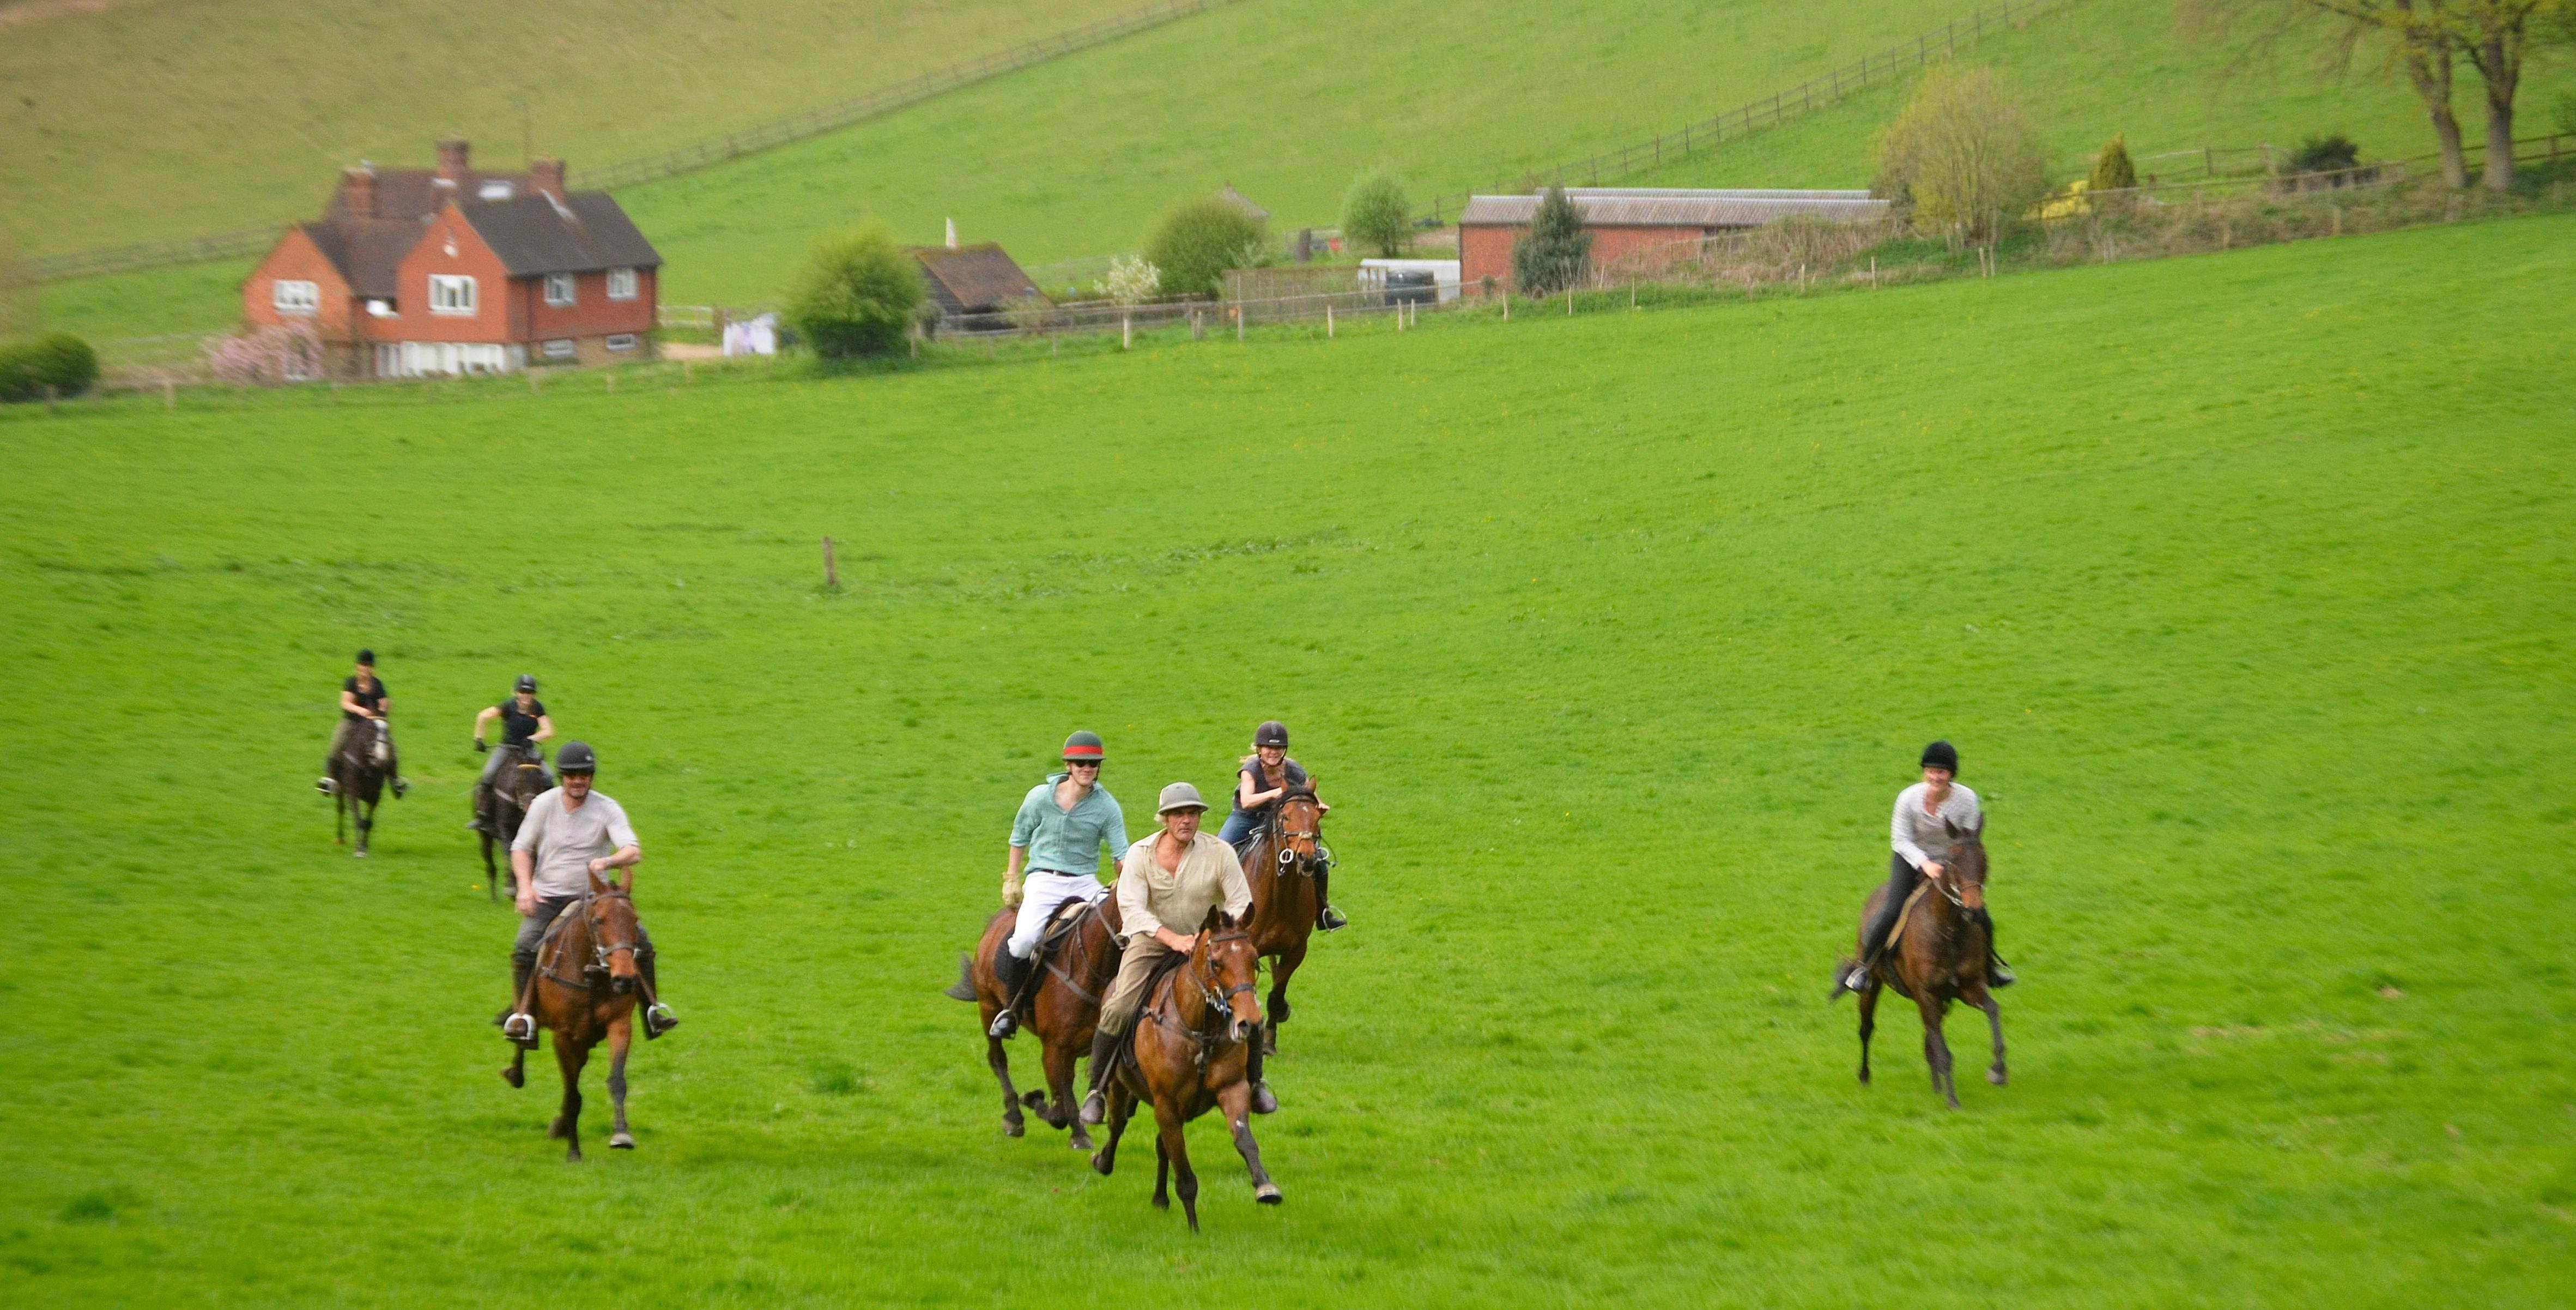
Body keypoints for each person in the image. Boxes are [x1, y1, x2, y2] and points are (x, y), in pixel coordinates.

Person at [1080, 781, 1260, 1125]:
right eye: (1178, 814)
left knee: (1248, 1003)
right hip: (1151, 942)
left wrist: (1219, 934)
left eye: (1192, 813)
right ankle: (1097, 1089)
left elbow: (1241, 900)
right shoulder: (1140, 854)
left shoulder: (1220, 852)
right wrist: (1173, 939)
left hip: (1207, 945)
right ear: (1164, 819)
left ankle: (1258, 1083)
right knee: (1119, 1005)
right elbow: (1131, 908)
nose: (1186, 820)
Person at [500, 741, 677, 1042]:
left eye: (584, 775)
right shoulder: (543, 805)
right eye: (571, 775)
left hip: (593, 899)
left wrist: (608, 861)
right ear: (562, 777)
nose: (578, 781)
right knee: (525, 946)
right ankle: (523, 1018)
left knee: (642, 944)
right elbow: (521, 848)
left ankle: (652, 1012)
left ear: (591, 777)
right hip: (548, 896)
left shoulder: (607, 808)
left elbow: (633, 851)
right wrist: (525, 888)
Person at [988, 731, 1130, 1039]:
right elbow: (1019, 837)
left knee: (1122, 935)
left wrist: (1129, 876)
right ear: (1068, 765)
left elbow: (1121, 854)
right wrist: (1012, 877)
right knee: (1023, 941)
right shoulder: (1039, 797)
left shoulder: (1108, 807)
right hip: (1044, 880)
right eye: (1081, 763)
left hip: (1085, 882)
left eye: (1093, 764)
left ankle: (1127, 1008)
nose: (1087, 768)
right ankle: (1012, 1011)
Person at [1841, 740, 2013, 993]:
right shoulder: (1908, 799)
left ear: (1951, 775)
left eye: (1941, 772)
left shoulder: (1967, 800)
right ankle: (1863, 968)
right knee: (1892, 909)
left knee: (1981, 914)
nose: (1935, 777)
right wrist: (1925, 863)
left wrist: (1954, 868)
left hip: (1950, 861)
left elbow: (1968, 841)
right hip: (1910, 857)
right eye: (1930, 771)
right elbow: (1900, 840)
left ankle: (1989, 969)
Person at [1215, 720, 1344, 931]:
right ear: (1259, 749)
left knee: (1318, 859)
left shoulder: (1294, 770)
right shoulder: (1250, 770)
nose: (1274, 752)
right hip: (1247, 817)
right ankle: (1213, 911)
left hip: (1281, 819)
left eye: (1279, 748)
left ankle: (1323, 914)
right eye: (1269, 747)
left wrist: (1318, 804)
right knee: (1218, 852)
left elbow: (1307, 793)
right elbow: (1247, 801)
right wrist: (1276, 793)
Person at [467, 674, 555, 832]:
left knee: (548, 776)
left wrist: (532, 739)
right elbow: (483, 716)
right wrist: (479, 739)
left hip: (528, 751)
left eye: (530, 692)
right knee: (488, 775)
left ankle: (552, 814)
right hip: (507, 749)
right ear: (516, 693)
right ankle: (482, 815)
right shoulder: (508, 706)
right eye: (523, 692)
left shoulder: (537, 708)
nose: (526, 696)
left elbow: (548, 731)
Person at [317, 649, 406, 798]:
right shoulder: (351, 683)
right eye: (363, 665)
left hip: (372, 724)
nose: (365, 668)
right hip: (352, 722)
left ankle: (396, 781)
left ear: (373, 668)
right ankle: (330, 780)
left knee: (390, 745)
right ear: (357, 667)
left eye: (368, 666)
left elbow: (384, 703)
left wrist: (381, 712)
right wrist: (360, 710)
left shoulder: (377, 685)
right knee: (337, 744)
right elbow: (345, 703)